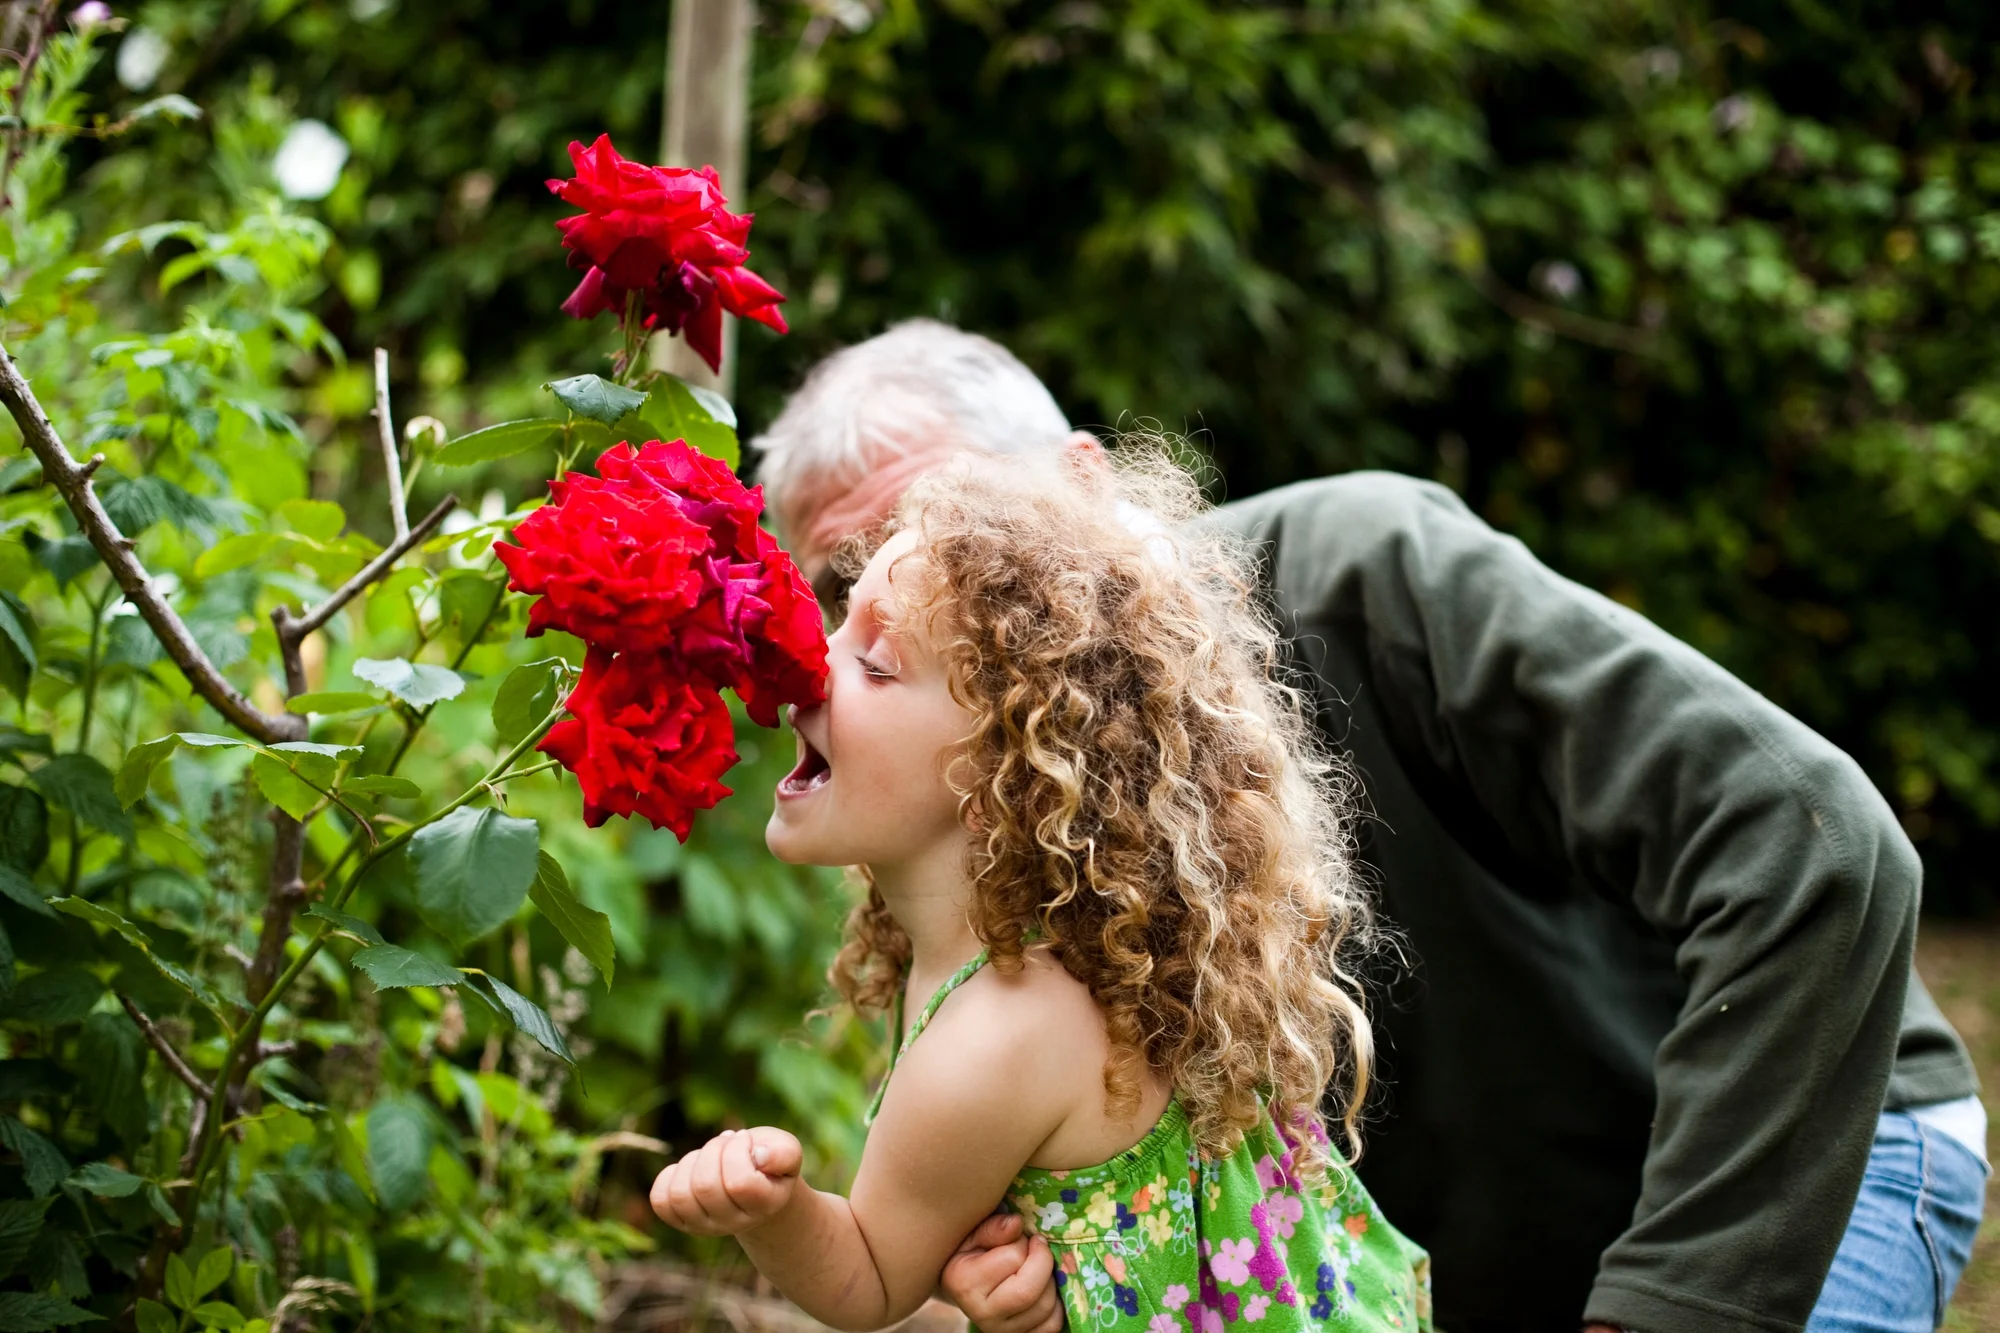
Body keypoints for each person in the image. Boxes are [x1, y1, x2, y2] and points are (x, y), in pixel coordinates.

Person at [746, 320, 1989, 1333]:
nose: (875, 634)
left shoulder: (1370, 572)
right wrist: (1037, 1280)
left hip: (1804, 1152)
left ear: (1089, 484)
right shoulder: (973, 869)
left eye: (969, 548)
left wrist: (1666, 1310)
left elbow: (1818, 845)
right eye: (841, 600)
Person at [648, 452, 1436, 1332]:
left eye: (873, 663)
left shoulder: (999, 1031)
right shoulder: (1075, 947)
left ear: (1001, 771)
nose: (807, 669)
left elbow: (870, 1276)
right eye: (839, 630)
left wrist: (771, 1209)